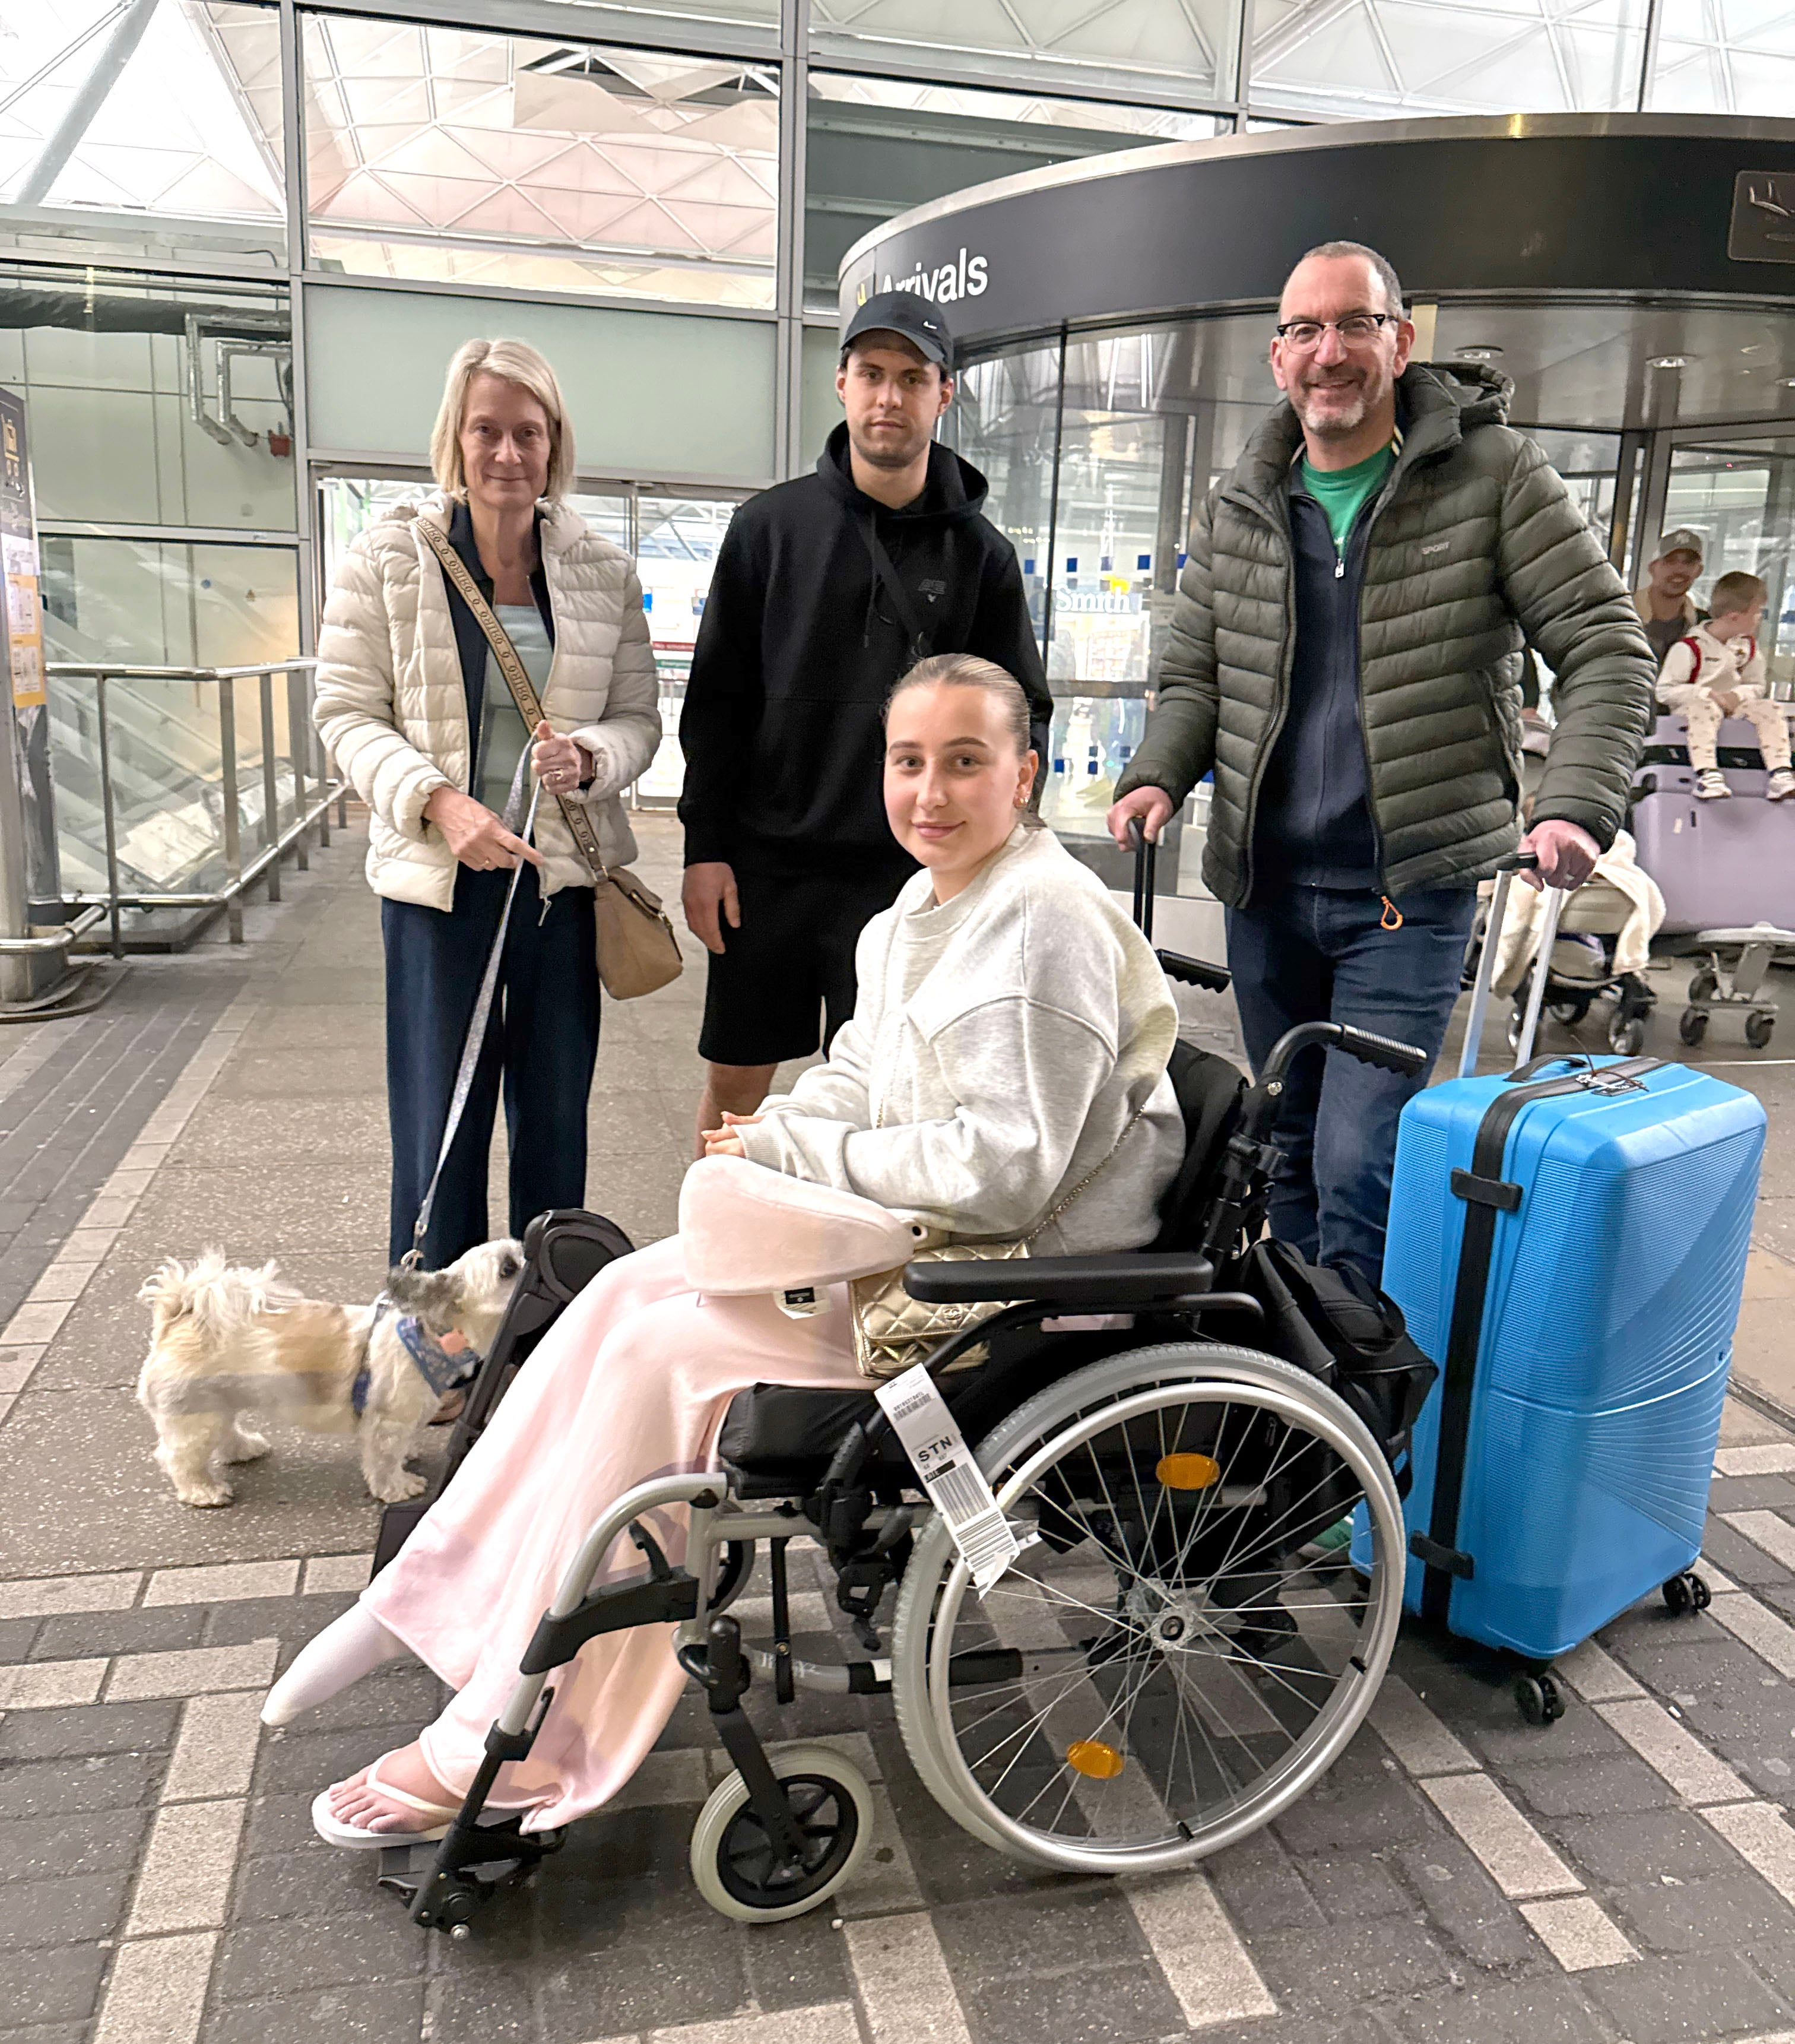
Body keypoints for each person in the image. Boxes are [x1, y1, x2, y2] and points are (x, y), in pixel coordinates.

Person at [267, 656, 1183, 1842]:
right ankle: (434, 1587)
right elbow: (859, 1072)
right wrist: (776, 1135)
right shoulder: (921, 906)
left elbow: (1008, 1168)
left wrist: (808, 1162)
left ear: (1027, 772)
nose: (931, 790)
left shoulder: (1040, 923)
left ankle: (519, 1722)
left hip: (1005, 1277)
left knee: (664, 1352)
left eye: (966, 760)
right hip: (917, 1233)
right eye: (910, 760)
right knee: (622, 1292)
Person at [1107, 239, 1653, 1284]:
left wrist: (1575, 804)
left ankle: (1359, 1407)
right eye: (1304, 330)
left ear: (1399, 342)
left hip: (1404, 888)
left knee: (1359, 1158)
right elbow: (1194, 674)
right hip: (1264, 888)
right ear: (1276, 360)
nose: (1329, 352)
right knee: (1282, 1151)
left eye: (1353, 323)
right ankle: (1298, 1379)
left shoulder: (1492, 475)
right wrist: (1155, 773)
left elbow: (1602, 640)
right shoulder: (1243, 497)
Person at [678, 289, 1051, 1155]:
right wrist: (706, 847)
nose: (890, 397)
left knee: (892, 1096)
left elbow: (1021, 714)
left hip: (909, 874)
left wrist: (996, 861)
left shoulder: (982, 555)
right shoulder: (767, 529)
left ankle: (855, 1280)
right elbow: (718, 703)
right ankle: (712, 1253)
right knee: (737, 1086)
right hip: (764, 867)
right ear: (841, 384)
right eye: (873, 375)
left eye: (911, 378)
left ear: (943, 395)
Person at [315, 338, 660, 1272]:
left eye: (528, 433)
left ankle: (541, 1324)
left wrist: (592, 755)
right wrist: (437, 803)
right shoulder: (389, 558)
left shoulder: (601, 573)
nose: (507, 454)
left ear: (556, 446)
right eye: (487, 431)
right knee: (442, 1121)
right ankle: (435, 1343)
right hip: (440, 890)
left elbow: (639, 719)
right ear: (454, 439)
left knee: (555, 1122)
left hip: (558, 890)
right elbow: (344, 712)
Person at [1656, 569, 1795, 801]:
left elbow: (1756, 684)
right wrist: (1708, 694)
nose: (1760, 617)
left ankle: (1780, 771)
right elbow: (1665, 691)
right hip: (1694, 708)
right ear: (1733, 617)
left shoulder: (1747, 648)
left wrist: (1737, 695)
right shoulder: (1690, 648)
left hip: (1733, 706)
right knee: (1704, 708)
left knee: (1770, 709)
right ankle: (1707, 773)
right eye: (1757, 612)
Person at [1634, 528, 1708, 668]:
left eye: (1689, 563)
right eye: (1670, 561)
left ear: (1699, 571)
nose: (1679, 570)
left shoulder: (1704, 626)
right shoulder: (1621, 612)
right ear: (1652, 568)